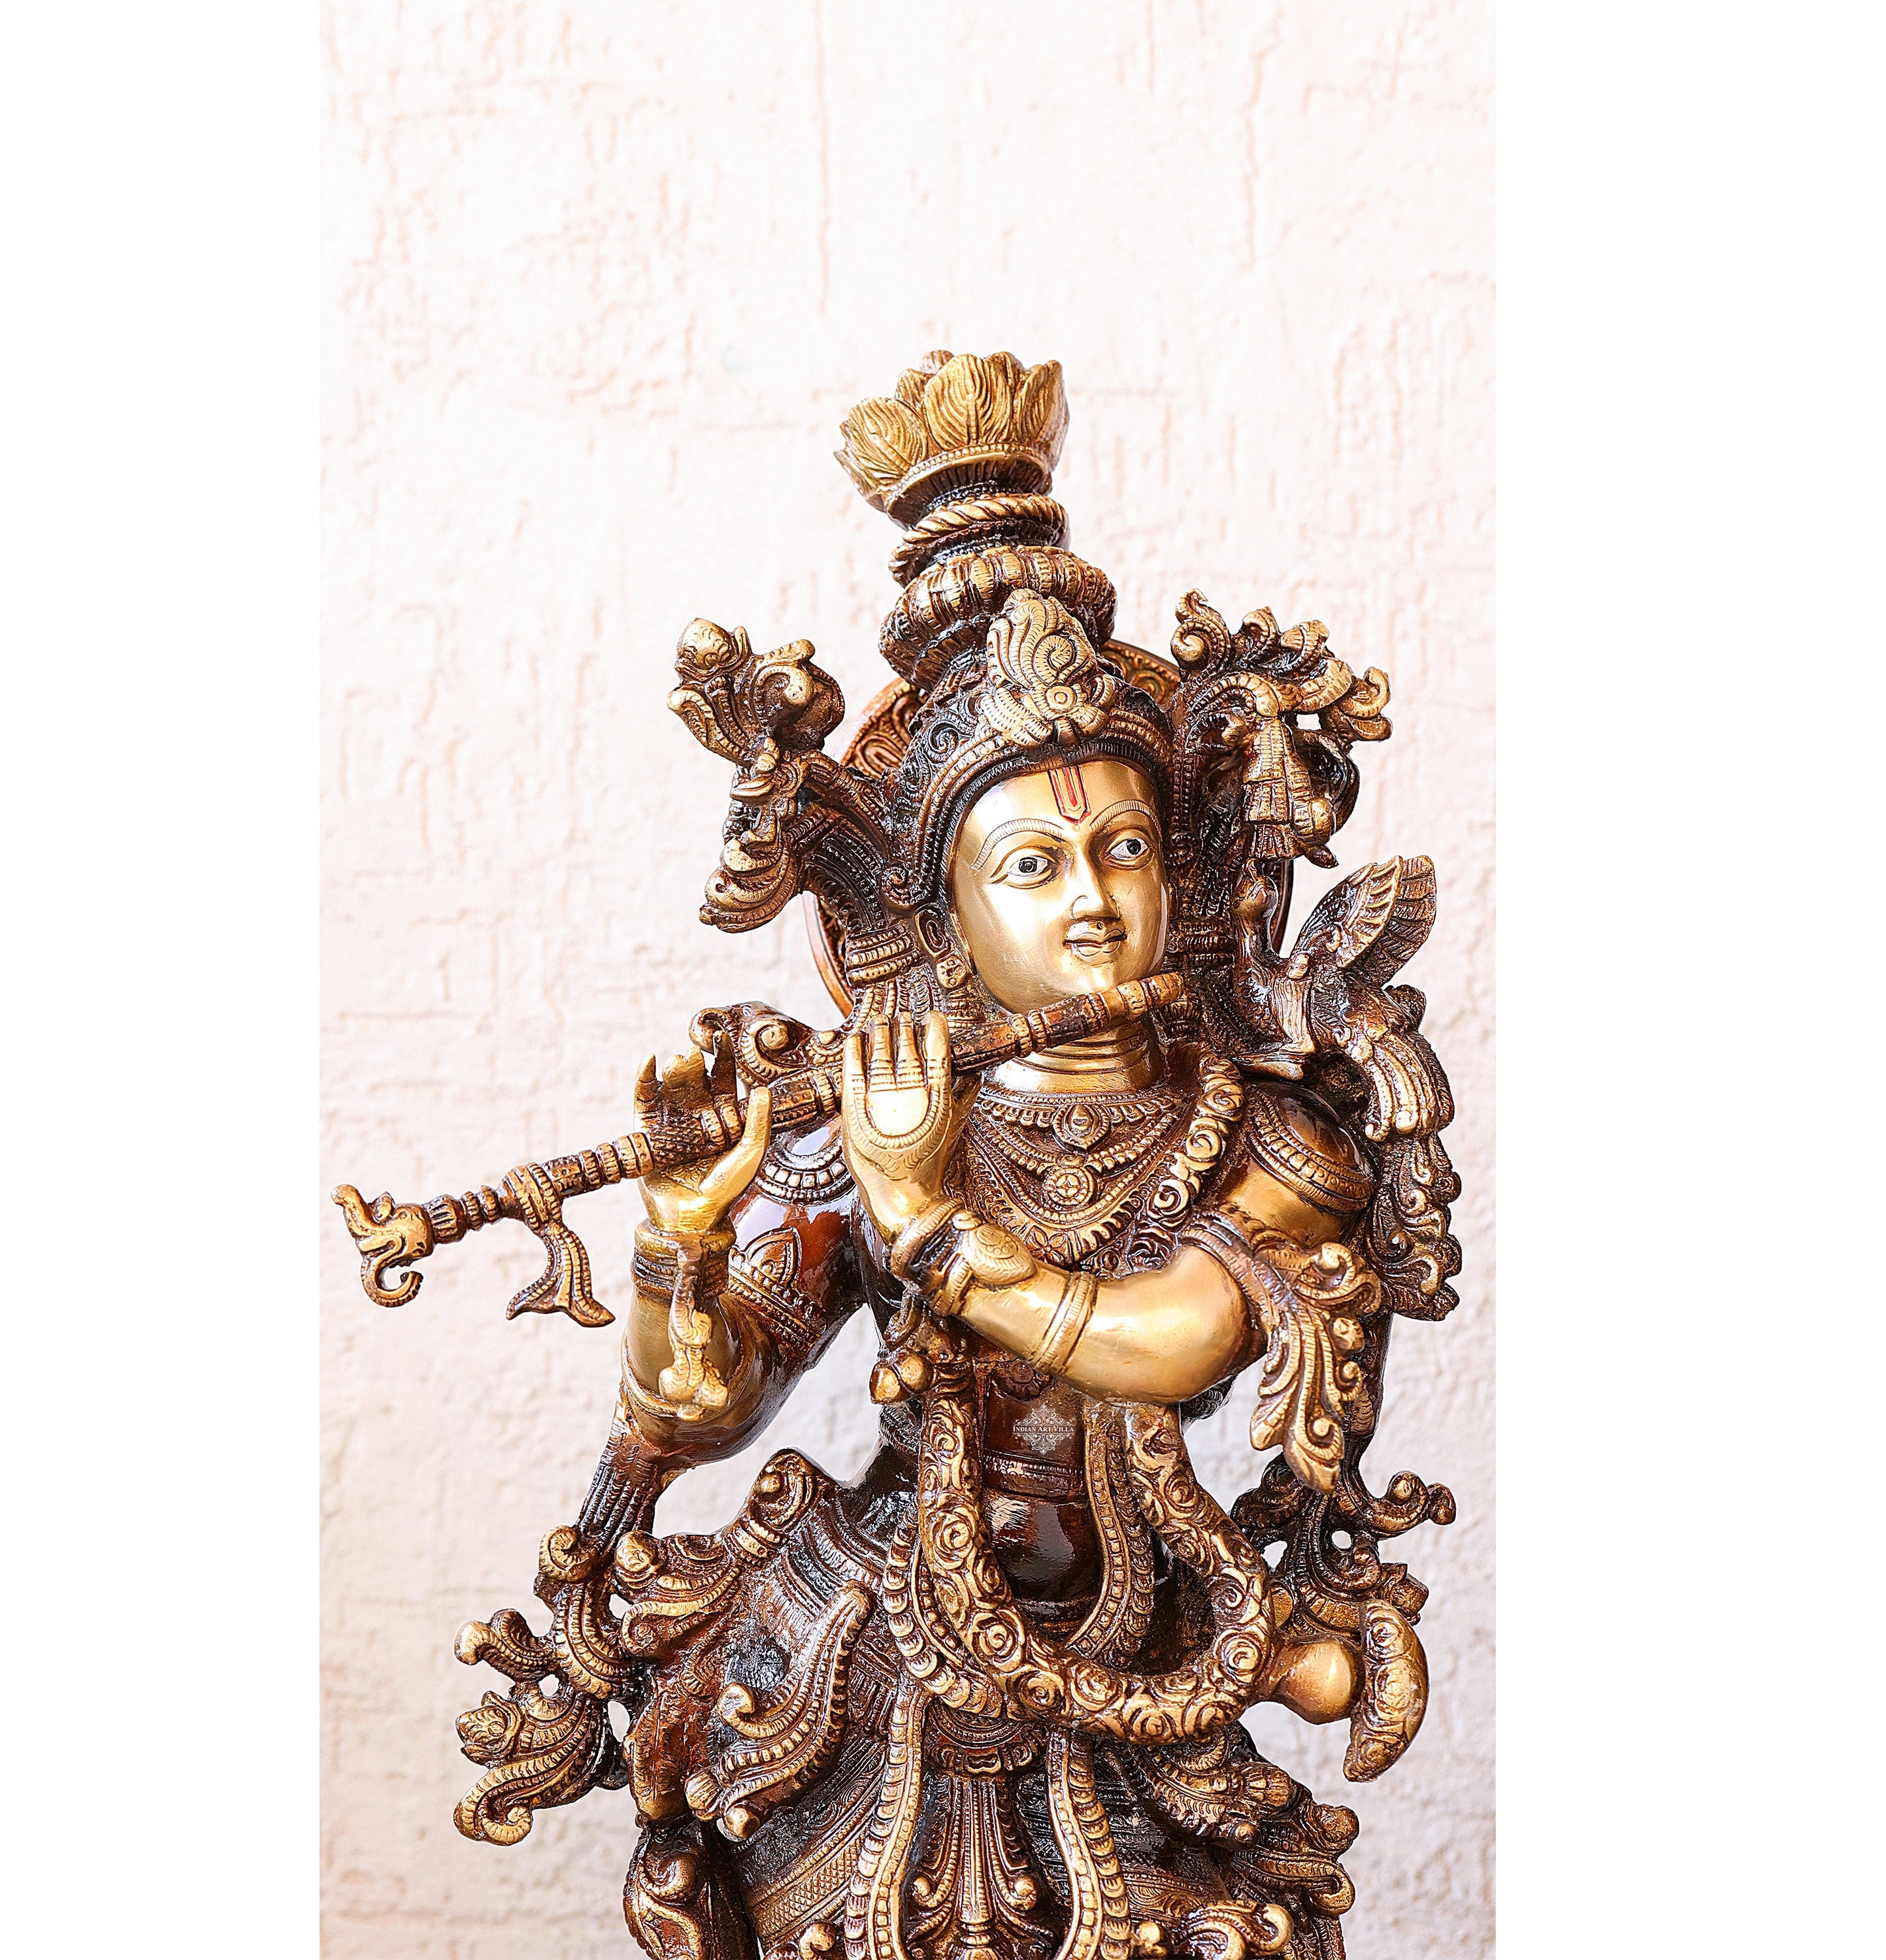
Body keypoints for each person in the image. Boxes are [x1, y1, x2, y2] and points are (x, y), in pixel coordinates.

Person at [450, 353, 1461, 1960]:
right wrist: (678, 1241)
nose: (1094, 902)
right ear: (946, 918)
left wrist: (927, 1219)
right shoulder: (875, 1116)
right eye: (1034, 864)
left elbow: (1183, 1339)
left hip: (1150, 1642)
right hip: (876, 1645)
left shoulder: (1259, 1129)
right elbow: (704, 1409)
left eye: (1124, 848)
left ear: (1181, 873)